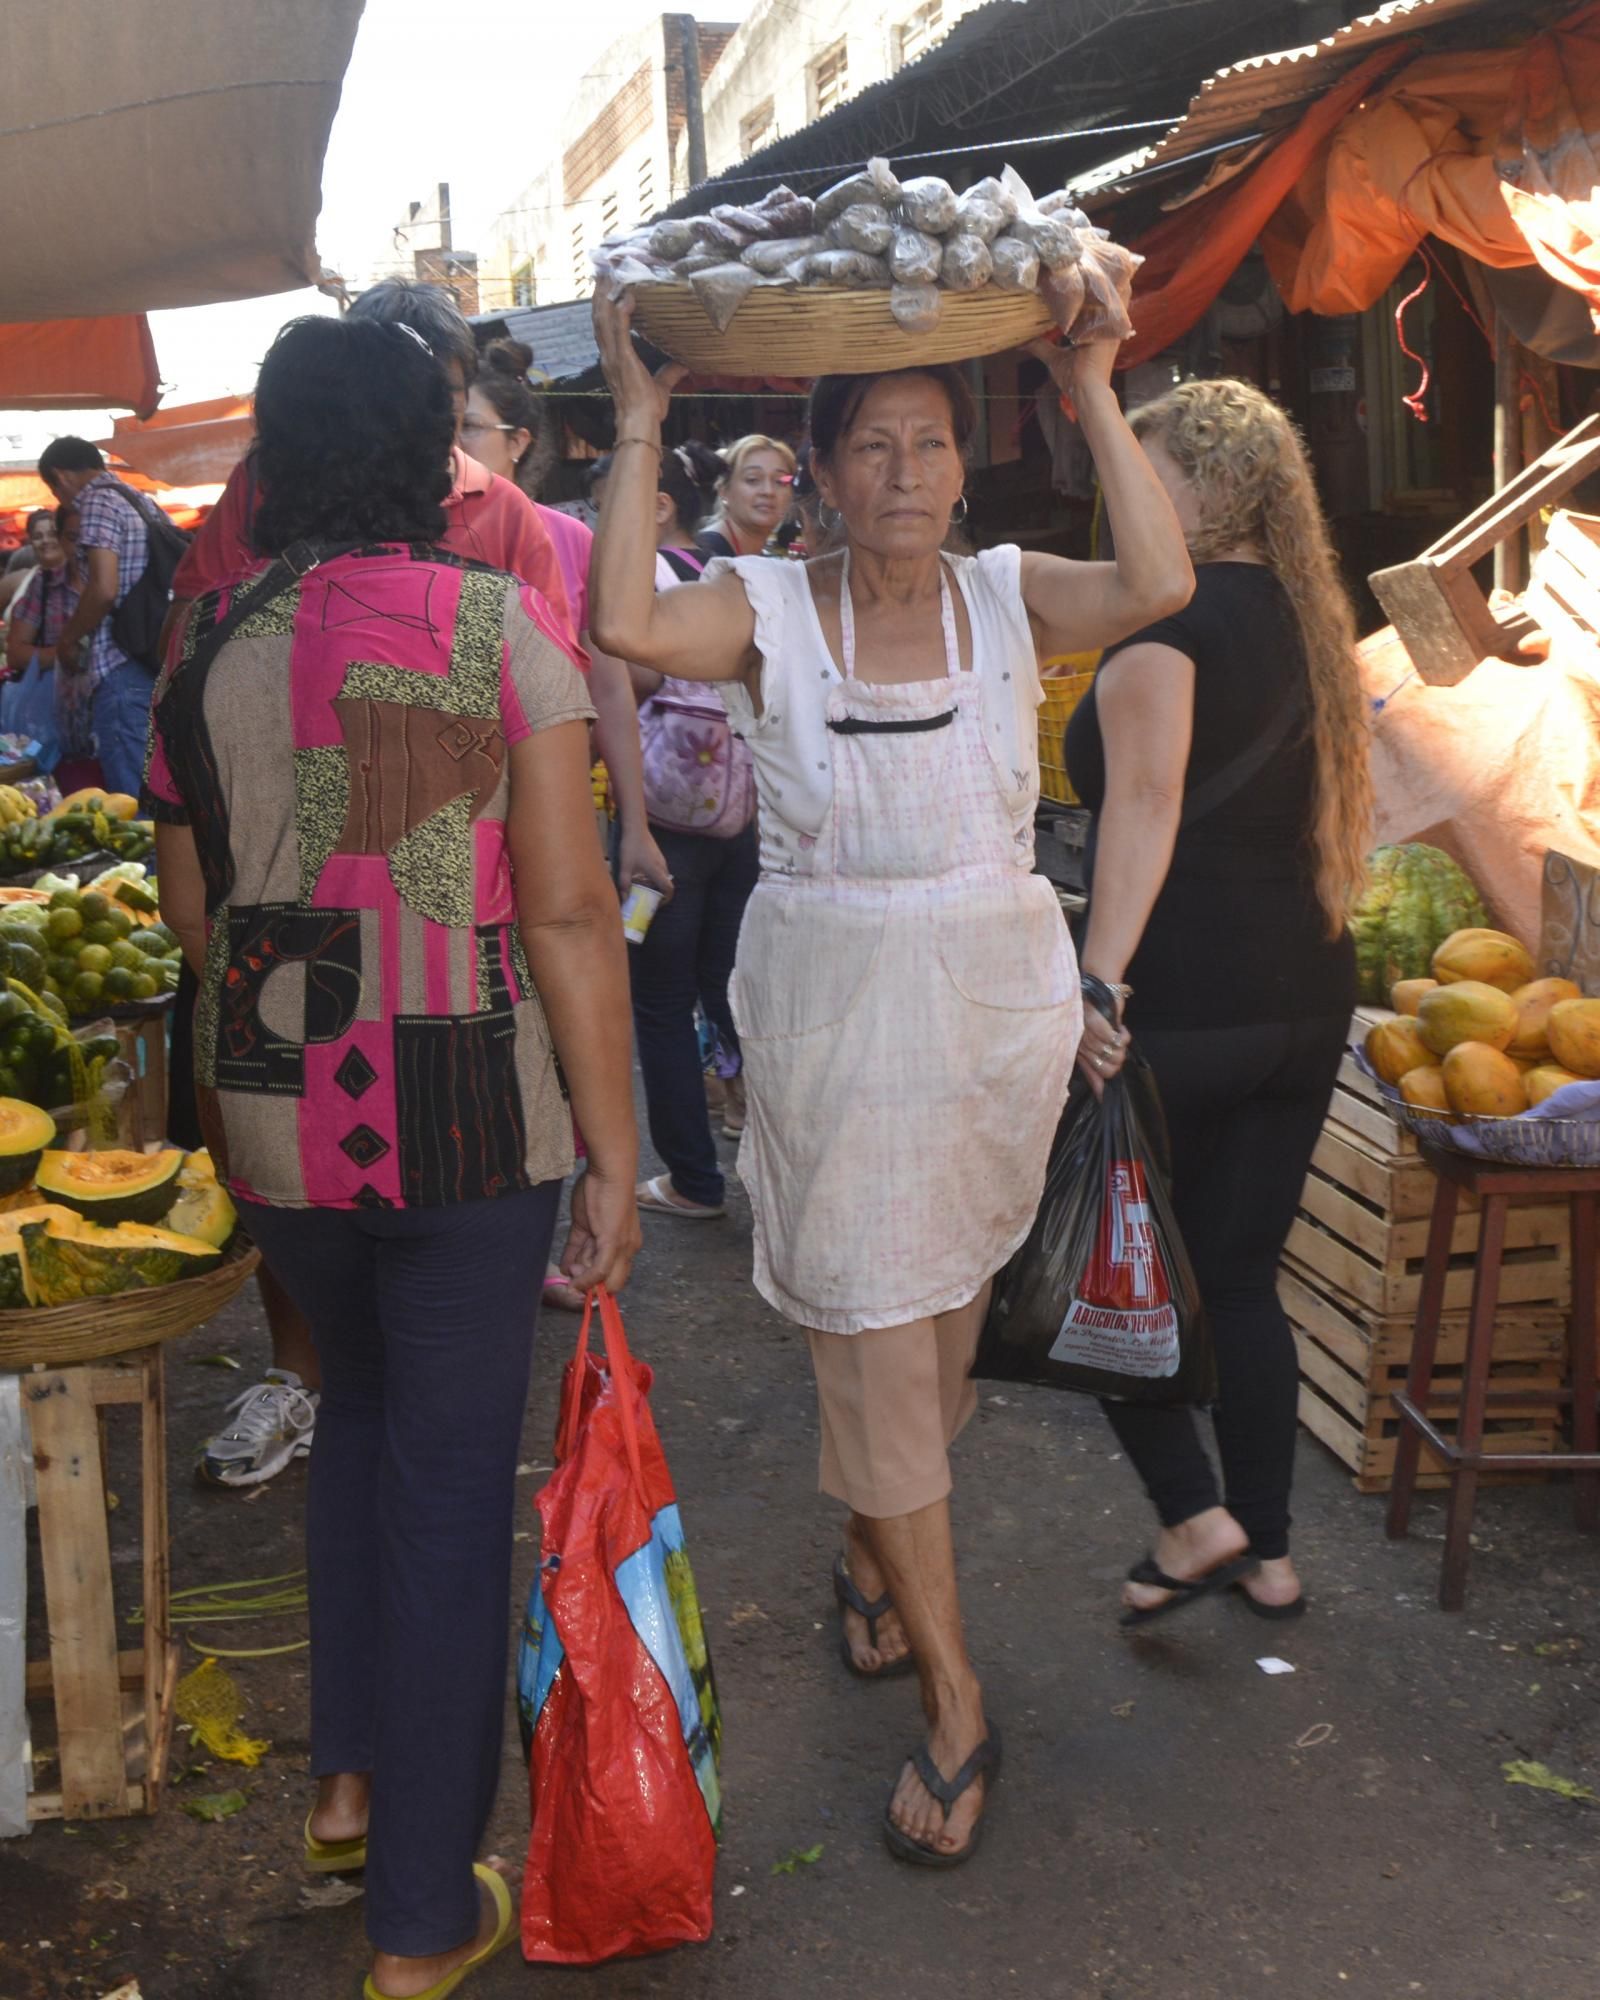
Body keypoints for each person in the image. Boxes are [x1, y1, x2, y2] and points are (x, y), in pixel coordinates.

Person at [589, 290, 1192, 1865]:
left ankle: (873, 1548)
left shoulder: (1010, 597)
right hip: (838, 1027)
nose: (906, 471)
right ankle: (957, 1700)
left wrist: (1091, 379)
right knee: (873, 1346)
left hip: (995, 1021)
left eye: (930, 443)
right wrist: (640, 416)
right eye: (873, 447)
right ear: (824, 477)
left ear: (963, 470)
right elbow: (627, 630)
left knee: (937, 1371)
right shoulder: (766, 609)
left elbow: (1162, 577)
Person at [146, 314, 640, 2000]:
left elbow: (201, 924)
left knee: (357, 1426)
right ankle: (423, 1918)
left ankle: (350, 1782)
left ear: (274, 461)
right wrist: (618, 1151)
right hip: (469, 1127)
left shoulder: (205, 647)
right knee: (444, 1494)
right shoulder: (499, 630)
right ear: (435, 451)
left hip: (282, 1131)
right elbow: (565, 911)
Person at [1063, 377, 1372, 1627]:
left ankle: (1195, 1516)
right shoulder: (1311, 619)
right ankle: (1273, 1552)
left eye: (1144, 476)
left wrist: (1096, 980)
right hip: (1306, 990)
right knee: (1239, 1278)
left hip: (1183, 999)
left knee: (1101, 1271)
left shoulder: (1166, 633)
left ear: (1199, 487)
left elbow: (1139, 813)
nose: (1121, 499)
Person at [598, 441, 759, 1219]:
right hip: (742, 826)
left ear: (656, 505)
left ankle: (696, 1182)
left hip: (664, 829)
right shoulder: (727, 580)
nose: (603, 521)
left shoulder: (646, 590)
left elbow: (626, 686)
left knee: (660, 1005)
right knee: (732, 991)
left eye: (613, 503)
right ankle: (767, 1158)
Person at [36, 439, 154, 796]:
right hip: (149, 662)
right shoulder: (140, 500)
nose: (61, 501)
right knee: (153, 796)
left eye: (54, 491)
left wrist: (68, 640)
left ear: (59, 476)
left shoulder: (98, 501)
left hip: (118, 668)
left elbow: (103, 588)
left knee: (130, 805)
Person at [3, 505, 99, 789]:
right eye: (37, 535)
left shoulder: (104, 581)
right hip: (52, 706)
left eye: (51, 534)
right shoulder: (35, 583)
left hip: (101, 709)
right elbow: (16, 652)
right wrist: (65, 653)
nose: (45, 541)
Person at [693, 432, 797, 560]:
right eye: (752, 480)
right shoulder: (707, 554)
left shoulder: (759, 555)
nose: (768, 491)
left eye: (780, 481)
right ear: (724, 491)